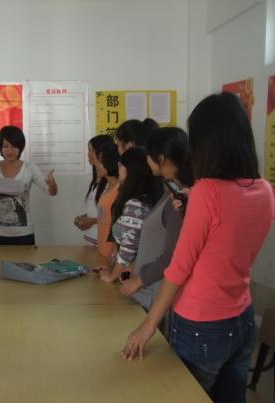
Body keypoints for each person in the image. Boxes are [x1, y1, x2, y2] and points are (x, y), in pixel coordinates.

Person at [121, 92, 275, 403]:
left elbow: (179, 266)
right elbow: (228, 240)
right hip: (242, 318)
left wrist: (148, 325)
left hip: (201, 324)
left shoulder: (207, 192)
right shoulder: (265, 190)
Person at [119, 127, 193, 313]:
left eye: (149, 155)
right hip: (148, 289)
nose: (147, 160)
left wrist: (139, 280)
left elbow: (172, 255)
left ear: (161, 159)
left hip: (158, 293)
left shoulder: (179, 198)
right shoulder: (169, 191)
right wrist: (134, 268)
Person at [0, 126, 57, 245]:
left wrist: (52, 185)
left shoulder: (30, 168)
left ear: (20, 147)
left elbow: (51, 192)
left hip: (24, 234)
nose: (10, 150)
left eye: (14, 146)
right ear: (0, 148)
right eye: (6, 146)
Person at [96, 147, 161, 282]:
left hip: (133, 279)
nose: (118, 169)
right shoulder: (148, 197)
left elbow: (128, 250)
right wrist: (112, 269)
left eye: (120, 165)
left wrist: (111, 276)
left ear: (126, 170)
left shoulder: (135, 205)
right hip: (132, 274)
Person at [73, 135, 114, 245]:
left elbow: (113, 215)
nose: (88, 154)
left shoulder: (111, 183)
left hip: (101, 242)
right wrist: (85, 217)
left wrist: (91, 221)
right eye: (88, 150)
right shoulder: (95, 180)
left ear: (102, 154)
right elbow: (99, 210)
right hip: (89, 240)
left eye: (92, 150)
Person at [93, 141, 120, 263]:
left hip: (111, 256)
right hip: (102, 251)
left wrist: (114, 256)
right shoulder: (106, 187)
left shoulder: (119, 191)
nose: (96, 164)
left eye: (100, 161)